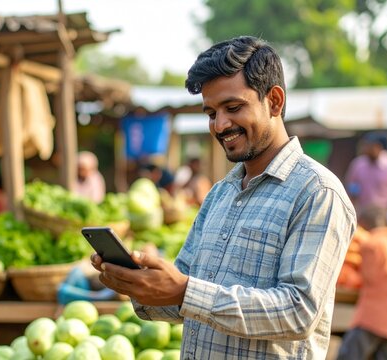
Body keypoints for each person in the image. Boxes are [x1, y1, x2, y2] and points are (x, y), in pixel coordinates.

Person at [91, 35, 356, 359]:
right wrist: (140, 285)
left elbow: (298, 311)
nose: (220, 125)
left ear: (274, 101)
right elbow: (183, 303)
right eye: (211, 112)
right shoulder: (220, 194)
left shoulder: (317, 193)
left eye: (233, 108)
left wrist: (185, 290)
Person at [337, 206, 387, 360]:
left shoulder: (371, 244)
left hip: (373, 317)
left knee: (349, 355)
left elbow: (367, 278)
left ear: (363, 224)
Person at [346, 131, 387, 229]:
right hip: (364, 214)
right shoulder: (358, 165)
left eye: (368, 146)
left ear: (378, 147)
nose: (364, 149)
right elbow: (352, 189)